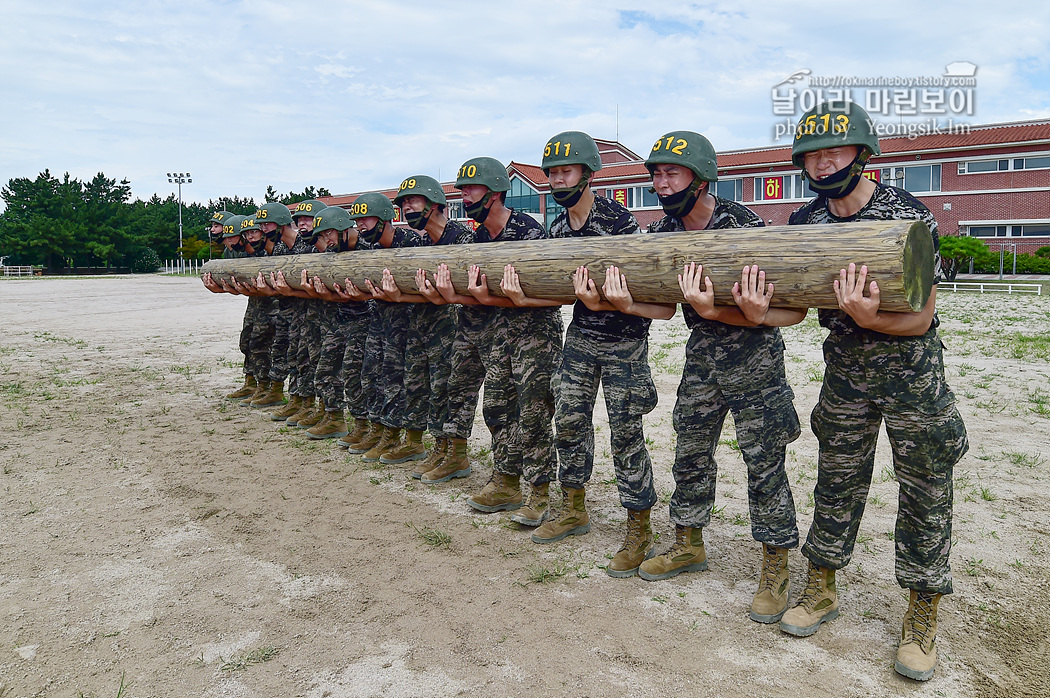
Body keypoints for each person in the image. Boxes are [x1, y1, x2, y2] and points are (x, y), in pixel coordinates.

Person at [778, 101, 968, 683]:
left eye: (835, 151)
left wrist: (868, 319)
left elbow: (919, 318)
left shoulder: (905, 217)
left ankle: (922, 611)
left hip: (913, 374)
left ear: (862, 155)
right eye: (812, 154)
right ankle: (821, 586)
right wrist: (765, 311)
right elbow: (791, 310)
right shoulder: (806, 225)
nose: (822, 163)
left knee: (925, 490)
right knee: (835, 482)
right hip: (845, 376)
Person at [609, 131, 804, 621]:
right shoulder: (661, 235)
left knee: (764, 464)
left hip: (754, 356)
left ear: (700, 178)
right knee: (690, 453)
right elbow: (665, 307)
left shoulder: (742, 224)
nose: (661, 182)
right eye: (655, 174)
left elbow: (784, 307)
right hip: (702, 356)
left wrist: (719, 308)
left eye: (671, 172)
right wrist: (626, 303)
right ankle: (687, 543)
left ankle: (775, 565)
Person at [513, 131, 663, 578]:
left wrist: (612, 304)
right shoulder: (558, 229)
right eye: (553, 173)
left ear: (588, 174)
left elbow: (647, 291)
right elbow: (557, 289)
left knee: (625, 434)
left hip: (623, 341)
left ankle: (639, 527)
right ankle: (573, 507)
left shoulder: (619, 223)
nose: (559, 180)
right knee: (570, 423)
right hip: (580, 338)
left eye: (567, 171)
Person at [423, 157, 560, 528]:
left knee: (533, 415)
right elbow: (485, 294)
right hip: (500, 333)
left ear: (496, 192)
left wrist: (500, 298)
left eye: (472, 189)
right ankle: (506, 480)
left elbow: (552, 293)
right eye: (462, 190)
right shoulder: (482, 237)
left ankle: (540, 492)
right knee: (498, 410)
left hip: (535, 335)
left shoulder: (529, 233)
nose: (465, 196)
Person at [379, 175, 462, 469]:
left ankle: (449, 450)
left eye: (413, 201)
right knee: (415, 384)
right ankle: (415, 442)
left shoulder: (462, 239)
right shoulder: (420, 242)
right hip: (420, 323)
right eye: (403, 203)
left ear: (434, 203)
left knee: (446, 389)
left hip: (451, 326)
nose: (406, 208)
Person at [342, 192, 423, 461]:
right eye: (357, 220)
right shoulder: (372, 249)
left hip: (408, 323)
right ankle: (377, 429)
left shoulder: (412, 243)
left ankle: (398, 436)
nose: (360, 224)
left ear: (386, 217)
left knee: (400, 382)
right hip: (380, 320)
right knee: (370, 376)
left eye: (366, 218)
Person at [301, 205, 370, 440]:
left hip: (367, 321)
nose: (325, 240)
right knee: (324, 370)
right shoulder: (332, 254)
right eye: (321, 236)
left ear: (342, 228)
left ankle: (363, 425)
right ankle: (334, 418)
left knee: (353, 374)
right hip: (341, 318)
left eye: (327, 233)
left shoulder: (369, 249)